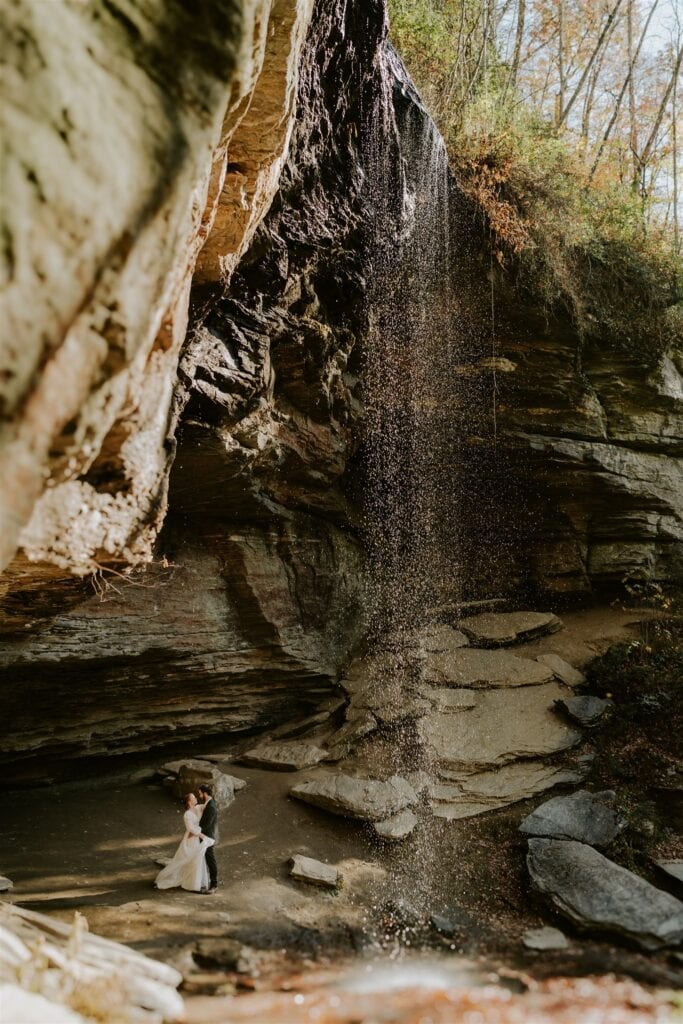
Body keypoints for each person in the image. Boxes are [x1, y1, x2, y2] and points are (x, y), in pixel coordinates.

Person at [154, 792, 215, 893]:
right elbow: (191, 829)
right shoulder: (187, 814)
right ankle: (191, 884)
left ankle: (196, 883)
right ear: (189, 802)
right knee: (191, 859)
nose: (196, 798)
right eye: (194, 797)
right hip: (191, 839)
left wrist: (207, 795)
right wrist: (204, 836)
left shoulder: (198, 808)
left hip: (197, 838)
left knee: (198, 859)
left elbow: (207, 804)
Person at [198, 784, 219, 894]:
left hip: (208, 837)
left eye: (200, 793)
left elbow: (206, 824)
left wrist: (196, 830)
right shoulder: (208, 803)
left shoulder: (211, 806)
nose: (200, 795)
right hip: (204, 836)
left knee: (210, 860)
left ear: (205, 793)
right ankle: (202, 882)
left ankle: (214, 884)